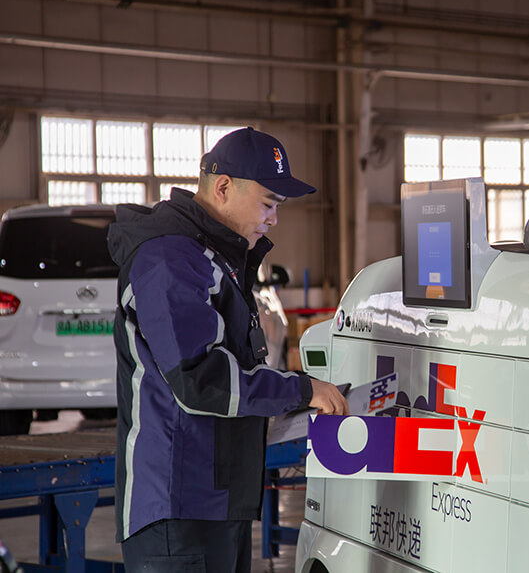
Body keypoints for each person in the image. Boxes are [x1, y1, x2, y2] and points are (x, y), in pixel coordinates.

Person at [107, 127, 348, 572]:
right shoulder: (170, 260)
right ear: (222, 188)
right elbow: (200, 378)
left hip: (214, 501)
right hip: (179, 508)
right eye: (268, 203)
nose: (274, 218)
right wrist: (301, 390)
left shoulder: (208, 256)